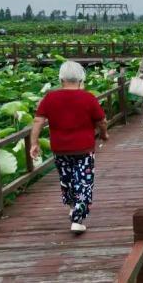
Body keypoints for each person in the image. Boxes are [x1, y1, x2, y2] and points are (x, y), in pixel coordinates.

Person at [29, 61, 108, 234]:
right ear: (81, 78)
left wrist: (34, 143)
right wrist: (104, 134)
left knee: (67, 179)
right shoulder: (88, 97)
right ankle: (77, 219)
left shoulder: (50, 98)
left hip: (60, 148)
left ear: (61, 78)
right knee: (83, 182)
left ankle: (73, 207)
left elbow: (38, 121)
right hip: (83, 148)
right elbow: (101, 120)